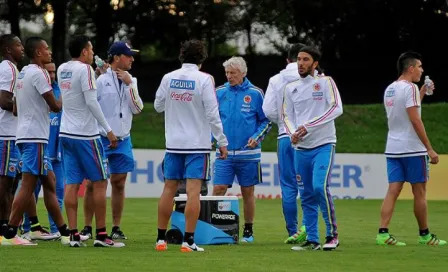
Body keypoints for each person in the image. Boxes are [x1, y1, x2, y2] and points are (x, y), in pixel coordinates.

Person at [154, 39, 228, 252]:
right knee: (193, 192)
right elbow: (212, 114)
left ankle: (160, 240)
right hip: (197, 145)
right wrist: (222, 141)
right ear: (202, 59)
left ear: (181, 55)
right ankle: (188, 241)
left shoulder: (168, 78)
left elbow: (158, 106)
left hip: (174, 144)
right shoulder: (205, 79)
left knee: (169, 189)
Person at [1, 37, 71, 246]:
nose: (49, 52)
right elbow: (56, 106)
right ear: (38, 53)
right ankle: (10, 232)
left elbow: (15, 107)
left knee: (49, 182)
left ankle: (66, 233)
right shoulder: (39, 74)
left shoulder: (22, 73)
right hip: (35, 137)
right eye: (46, 49)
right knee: (28, 185)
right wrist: (67, 95)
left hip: (24, 134)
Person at [57, 35, 123, 247]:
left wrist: (95, 74)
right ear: (84, 51)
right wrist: (109, 130)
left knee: (72, 184)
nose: (94, 53)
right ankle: (102, 235)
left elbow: (75, 93)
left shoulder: (62, 69)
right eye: (91, 50)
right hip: (86, 135)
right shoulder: (84, 70)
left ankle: (74, 235)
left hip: (66, 133)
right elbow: (92, 102)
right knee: (100, 182)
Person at [377, 51, 446, 246]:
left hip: (393, 147)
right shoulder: (410, 88)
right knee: (420, 192)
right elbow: (415, 119)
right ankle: (424, 235)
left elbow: (405, 110)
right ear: (411, 68)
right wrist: (430, 149)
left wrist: (422, 91)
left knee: (393, 190)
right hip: (413, 149)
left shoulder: (390, 88)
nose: (422, 70)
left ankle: (382, 233)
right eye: (420, 67)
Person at [80, 41, 143, 240]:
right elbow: (90, 106)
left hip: (124, 139)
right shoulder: (99, 79)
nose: (132, 59)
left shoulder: (131, 80)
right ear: (116, 57)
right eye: (128, 55)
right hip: (101, 138)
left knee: (119, 183)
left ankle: (116, 227)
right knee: (93, 183)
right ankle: (87, 227)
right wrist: (104, 131)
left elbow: (138, 109)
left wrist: (129, 84)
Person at [283, 46, 342, 251]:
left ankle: (332, 235)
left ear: (315, 63)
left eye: (306, 59)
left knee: (319, 187)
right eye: (298, 59)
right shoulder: (291, 88)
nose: (301, 63)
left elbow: (336, 108)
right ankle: (313, 239)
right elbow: (286, 115)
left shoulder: (326, 82)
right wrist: (292, 132)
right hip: (301, 148)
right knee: (306, 193)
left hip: (324, 144)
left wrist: (308, 127)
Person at [213, 56, 271, 243]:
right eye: (227, 73)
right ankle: (214, 227)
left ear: (243, 73)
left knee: (247, 192)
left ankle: (248, 230)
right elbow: (210, 118)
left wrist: (257, 137)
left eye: (233, 73)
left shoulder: (256, 93)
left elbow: (266, 119)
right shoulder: (219, 92)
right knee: (218, 189)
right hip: (224, 153)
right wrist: (212, 139)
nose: (229, 76)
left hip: (249, 154)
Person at [20, 62, 73, 239]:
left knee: (55, 188)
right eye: (48, 72)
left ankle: (57, 230)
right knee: (29, 190)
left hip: (55, 150)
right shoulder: (35, 85)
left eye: (53, 72)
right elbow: (56, 107)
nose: (51, 75)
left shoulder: (58, 89)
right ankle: (22, 229)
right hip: (37, 142)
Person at [262, 44, 307, 244]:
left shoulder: (276, 80)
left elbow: (267, 110)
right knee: (307, 186)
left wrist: (282, 121)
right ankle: (309, 227)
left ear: (287, 60)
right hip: (308, 136)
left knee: (289, 187)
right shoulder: (314, 78)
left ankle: (292, 231)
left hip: (284, 136)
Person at [0, 34, 23, 240]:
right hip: (7, 133)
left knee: (10, 182)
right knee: (6, 183)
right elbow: (4, 100)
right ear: (8, 49)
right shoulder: (9, 69)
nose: (22, 48)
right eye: (17, 45)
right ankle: (3, 230)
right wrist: (26, 105)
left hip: (7, 133)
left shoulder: (5, 68)